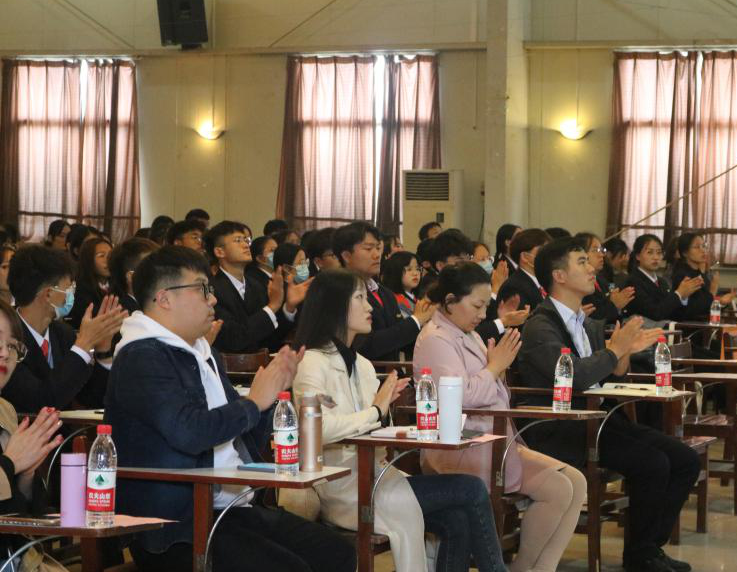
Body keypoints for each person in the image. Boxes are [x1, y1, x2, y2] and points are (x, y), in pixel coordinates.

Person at [105, 246, 355, 572]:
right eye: (202, 289)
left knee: (336, 552)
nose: (212, 300)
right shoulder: (142, 356)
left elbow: (243, 437)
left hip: (228, 505)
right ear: (164, 298)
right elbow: (189, 432)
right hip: (175, 523)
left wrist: (272, 399)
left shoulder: (201, 351)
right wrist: (253, 402)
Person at [290, 269, 505, 572]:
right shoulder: (311, 362)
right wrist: (376, 411)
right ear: (335, 305)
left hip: (378, 475)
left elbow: (373, 428)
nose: (369, 307)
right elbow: (319, 429)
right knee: (471, 488)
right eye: (360, 298)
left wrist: (396, 421)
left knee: (457, 519)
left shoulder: (363, 365)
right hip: (341, 485)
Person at [517, 237, 699, 572]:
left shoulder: (585, 323)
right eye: (582, 262)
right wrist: (615, 350)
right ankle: (641, 556)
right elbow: (575, 377)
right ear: (559, 276)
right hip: (562, 428)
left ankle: (649, 548)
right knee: (653, 463)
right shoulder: (540, 326)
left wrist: (624, 350)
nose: (592, 269)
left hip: (598, 420)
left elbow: (610, 372)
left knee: (685, 460)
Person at [413, 262, 586, 572]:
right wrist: (495, 366)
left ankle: (539, 569)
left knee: (576, 481)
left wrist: (497, 369)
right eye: (477, 306)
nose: (483, 315)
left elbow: (491, 389)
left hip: (492, 439)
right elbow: (461, 397)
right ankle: (525, 568)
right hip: (460, 448)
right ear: (450, 301)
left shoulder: (467, 334)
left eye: (485, 306)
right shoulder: (435, 340)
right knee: (558, 489)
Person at [5, 245, 125, 412]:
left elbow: (93, 398)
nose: (71, 295)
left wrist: (103, 351)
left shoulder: (63, 333)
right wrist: (83, 344)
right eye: (69, 288)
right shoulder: (7, 338)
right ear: (48, 294)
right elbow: (40, 402)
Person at [0, 299, 68, 571]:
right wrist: (10, 464)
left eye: (12, 346)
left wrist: (26, 475)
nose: (4, 354)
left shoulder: (5, 410)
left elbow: (22, 514)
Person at [333, 222, 435, 361]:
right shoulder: (340, 291)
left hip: (392, 371)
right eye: (368, 249)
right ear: (346, 256)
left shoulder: (385, 293)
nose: (377, 255)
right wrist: (416, 320)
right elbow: (364, 346)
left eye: (378, 248)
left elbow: (400, 342)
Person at [205, 221, 301, 354]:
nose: (246, 245)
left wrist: (289, 307)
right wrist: (273, 306)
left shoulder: (256, 285)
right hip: (230, 364)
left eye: (246, 240)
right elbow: (234, 338)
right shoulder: (210, 290)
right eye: (238, 240)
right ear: (219, 252)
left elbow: (272, 337)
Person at [622, 234, 703, 322]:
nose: (656, 257)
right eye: (650, 252)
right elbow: (655, 313)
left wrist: (684, 297)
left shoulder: (662, 282)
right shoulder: (633, 282)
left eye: (659, 253)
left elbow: (674, 314)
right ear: (638, 256)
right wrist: (679, 293)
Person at [670, 233, 736, 322]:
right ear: (685, 253)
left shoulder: (699, 273)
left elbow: (706, 305)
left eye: (704, 246)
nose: (703, 250)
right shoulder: (682, 276)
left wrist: (721, 303)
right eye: (697, 247)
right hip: (688, 326)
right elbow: (693, 310)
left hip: (703, 324)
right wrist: (712, 291)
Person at [574, 232, 634, 322]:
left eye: (601, 250)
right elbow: (593, 317)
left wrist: (617, 304)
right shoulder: (578, 285)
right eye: (595, 250)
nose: (601, 254)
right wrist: (614, 305)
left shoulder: (601, 280)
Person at [496, 228, 551, 312]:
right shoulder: (514, 287)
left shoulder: (546, 283)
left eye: (549, 251)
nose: (548, 256)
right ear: (525, 257)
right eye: (542, 251)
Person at [67, 237, 113, 329]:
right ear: (88, 259)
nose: (108, 260)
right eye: (101, 256)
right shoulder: (79, 289)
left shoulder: (118, 286)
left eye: (111, 255)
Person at [108, 238, 160, 314]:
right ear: (131, 276)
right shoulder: (123, 313)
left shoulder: (149, 305)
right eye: (153, 268)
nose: (162, 273)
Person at [380, 251, 421, 318]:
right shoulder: (394, 300)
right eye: (409, 269)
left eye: (417, 269)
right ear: (396, 272)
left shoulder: (417, 296)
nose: (415, 273)